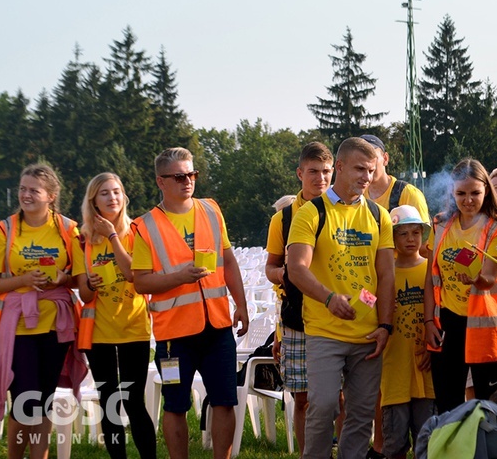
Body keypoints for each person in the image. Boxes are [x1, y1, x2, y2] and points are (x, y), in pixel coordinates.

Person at [131, 147, 249, 459]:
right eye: (179, 176)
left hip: (217, 328)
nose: (188, 181)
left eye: (192, 174)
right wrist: (180, 277)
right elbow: (140, 281)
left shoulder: (211, 210)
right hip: (174, 337)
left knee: (225, 400)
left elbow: (228, 260)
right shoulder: (145, 226)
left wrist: (242, 305)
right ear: (161, 181)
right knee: (176, 404)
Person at [287, 136, 395, 459]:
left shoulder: (379, 216)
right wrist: (329, 298)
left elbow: (387, 275)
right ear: (341, 167)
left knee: (362, 414)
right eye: (360, 169)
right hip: (324, 331)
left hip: (367, 334)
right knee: (322, 406)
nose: (366, 177)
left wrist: (385, 326)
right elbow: (296, 268)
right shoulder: (310, 213)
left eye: (372, 170)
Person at [0, 163, 86, 459]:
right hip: (17, 328)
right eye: (22, 189)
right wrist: (24, 280)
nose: (25, 195)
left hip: (56, 326)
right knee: (23, 400)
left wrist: (62, 279)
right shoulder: (4, 230)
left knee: (44, 399)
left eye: (33, 190)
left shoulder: (68, 229)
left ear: (51, 195)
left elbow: (79, 280)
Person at [423, 158, 497, 413]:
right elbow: (430, 275)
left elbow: (489, 277)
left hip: (487, 330)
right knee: (447, 405)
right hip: (447, 324)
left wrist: (477, 279)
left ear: (486, 190)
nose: (468, 200)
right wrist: (429, 322)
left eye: (475, 193)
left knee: (489, 408)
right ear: (452, 193)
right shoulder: (441, 224)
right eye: (461, 193)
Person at [72, 172, 156, 458]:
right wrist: (89, 285)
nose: (112, 198)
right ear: (93, 201)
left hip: (134, 327)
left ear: (124, 196)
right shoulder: (81, 240)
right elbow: (83, 294)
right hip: (99, 332)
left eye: (117, 192)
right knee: (109, 401)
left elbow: (133, 273)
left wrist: (112, 236)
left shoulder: (137, 231)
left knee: (134, 400)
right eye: (105, 193)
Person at [359, 133, 429, 458]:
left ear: (384, 158)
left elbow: (425, 254)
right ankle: (377, 448)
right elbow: (364, 291)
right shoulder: (352, 199)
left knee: (425, 434)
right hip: (385, 346)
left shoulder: (407, 193)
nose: (410, 239)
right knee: (390, 427)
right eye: (405, 234)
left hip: (420, 358)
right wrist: (367, 302)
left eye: (372, 156)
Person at [264, 141, 334, 458]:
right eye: (313, 172)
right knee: (302, 399)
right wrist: (289, 275)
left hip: (337, 319)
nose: (320, 178)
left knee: (340, 398)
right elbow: (270, 266)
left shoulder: (345, 210)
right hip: (298, 321)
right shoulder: (283, 218)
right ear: (300, 174)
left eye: (326, 172)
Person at [379, 205, 434, 459]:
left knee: (428, 440)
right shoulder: (383, 273)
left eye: (416, 232)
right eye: (403, 234)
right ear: (392, 237)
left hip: (426, 371)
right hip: (394, 370)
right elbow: (366, 302)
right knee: (395, 442)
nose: (411, 239)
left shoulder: (431, 270)